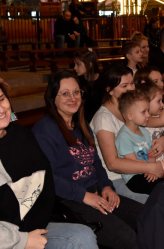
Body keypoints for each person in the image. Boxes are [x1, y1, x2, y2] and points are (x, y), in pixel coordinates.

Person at [32, 71, 142, 249]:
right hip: (70, 200)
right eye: (65, 93)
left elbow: (96, 162)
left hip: (97, 192)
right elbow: (47, 178)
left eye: (76, 92)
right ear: (52, 97)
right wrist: (84, 196)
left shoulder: (80, 124)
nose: (73, 98)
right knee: (128, 238)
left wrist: (107, 186)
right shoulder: (44, 131)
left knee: (147, 216)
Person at [0, 82, 98, 249]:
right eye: (65, 94)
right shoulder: (45, 129)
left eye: (1, 99)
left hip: (36, 226)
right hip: (10, 238)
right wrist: (23, 241)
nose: (1, 109)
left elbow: (44, 181)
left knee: (82, 236)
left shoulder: (21, 134)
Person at [90, 64, 164, 204]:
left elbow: (153, 128)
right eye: (124, 86)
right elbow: (112, 163)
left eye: (131, 83)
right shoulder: (103, 119)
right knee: (159, 199)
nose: (131, 88)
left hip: (142, 169)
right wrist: (152, 168)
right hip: (117, 178)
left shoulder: (132, 107)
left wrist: (162, 139)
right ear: (110, 90)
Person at [115, 89, 164, 195]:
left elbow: (151, 153)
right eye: (144, 112)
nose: (148, 115)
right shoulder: (124, 137)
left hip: (148, 172)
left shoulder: (144, 131)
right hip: (134, 177)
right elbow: (133, 164)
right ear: (130, 116)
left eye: (148, 111)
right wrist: (150, 170)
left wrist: (153, 171)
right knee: (163, 189)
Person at [74, 48, 102, 123]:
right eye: (75, 64)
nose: (75, 68)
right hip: (83, 120)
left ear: (89, 65)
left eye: (78, 64)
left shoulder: (103, 80)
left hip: (100, 119)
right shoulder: (76, 81)